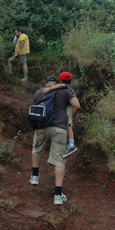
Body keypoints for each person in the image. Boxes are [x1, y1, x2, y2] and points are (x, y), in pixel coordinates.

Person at [29, 75, 81, 205]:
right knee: (59, 160)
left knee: (37, 149)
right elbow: (76, 106)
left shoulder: (39, 92)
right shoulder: (64, 91)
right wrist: (71, 118)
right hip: (59, 129)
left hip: (41, 127)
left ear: (46, 84)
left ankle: (35, 177)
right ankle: (58, 195)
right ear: (57, 82)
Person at [42, 71, 78, 158]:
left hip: (68, 107)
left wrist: (49, 89)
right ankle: (69, 144)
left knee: (69, 125)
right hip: (66, 107)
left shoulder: (65, 88)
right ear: (71, 80)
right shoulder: (71, 89)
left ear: (60, 81)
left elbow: (62, 85)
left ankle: (71, 145)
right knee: (68, 126)